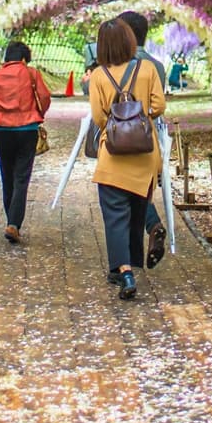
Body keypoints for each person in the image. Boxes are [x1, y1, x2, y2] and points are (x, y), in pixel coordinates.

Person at [88, 18, 166, 300]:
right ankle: (131, 262)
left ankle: (125, 272)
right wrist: (139, 116)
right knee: (136, 211)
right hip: (145, 154)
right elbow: (159, 106)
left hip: (113, 155)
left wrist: (118, 121)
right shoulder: (147, 69)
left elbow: (99, 117)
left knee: (115, 216)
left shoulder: (98, 75)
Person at [116, 10, 169, 268]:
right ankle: (149, 231)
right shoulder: (157, 66)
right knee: (140, 188)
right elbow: (159, 105)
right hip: (150, 138)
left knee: (123, 192)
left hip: (122, 136)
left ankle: (127, 260)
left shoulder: (116, 65)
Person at [0, 40, 52, 243]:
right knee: (21, 177)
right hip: (27, 130)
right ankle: (13, 224)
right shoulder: (31, 74)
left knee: (7, 176)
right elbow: (45, 96)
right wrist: (38, 113)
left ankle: (11, 221)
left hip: (2, 131)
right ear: (24, 59)